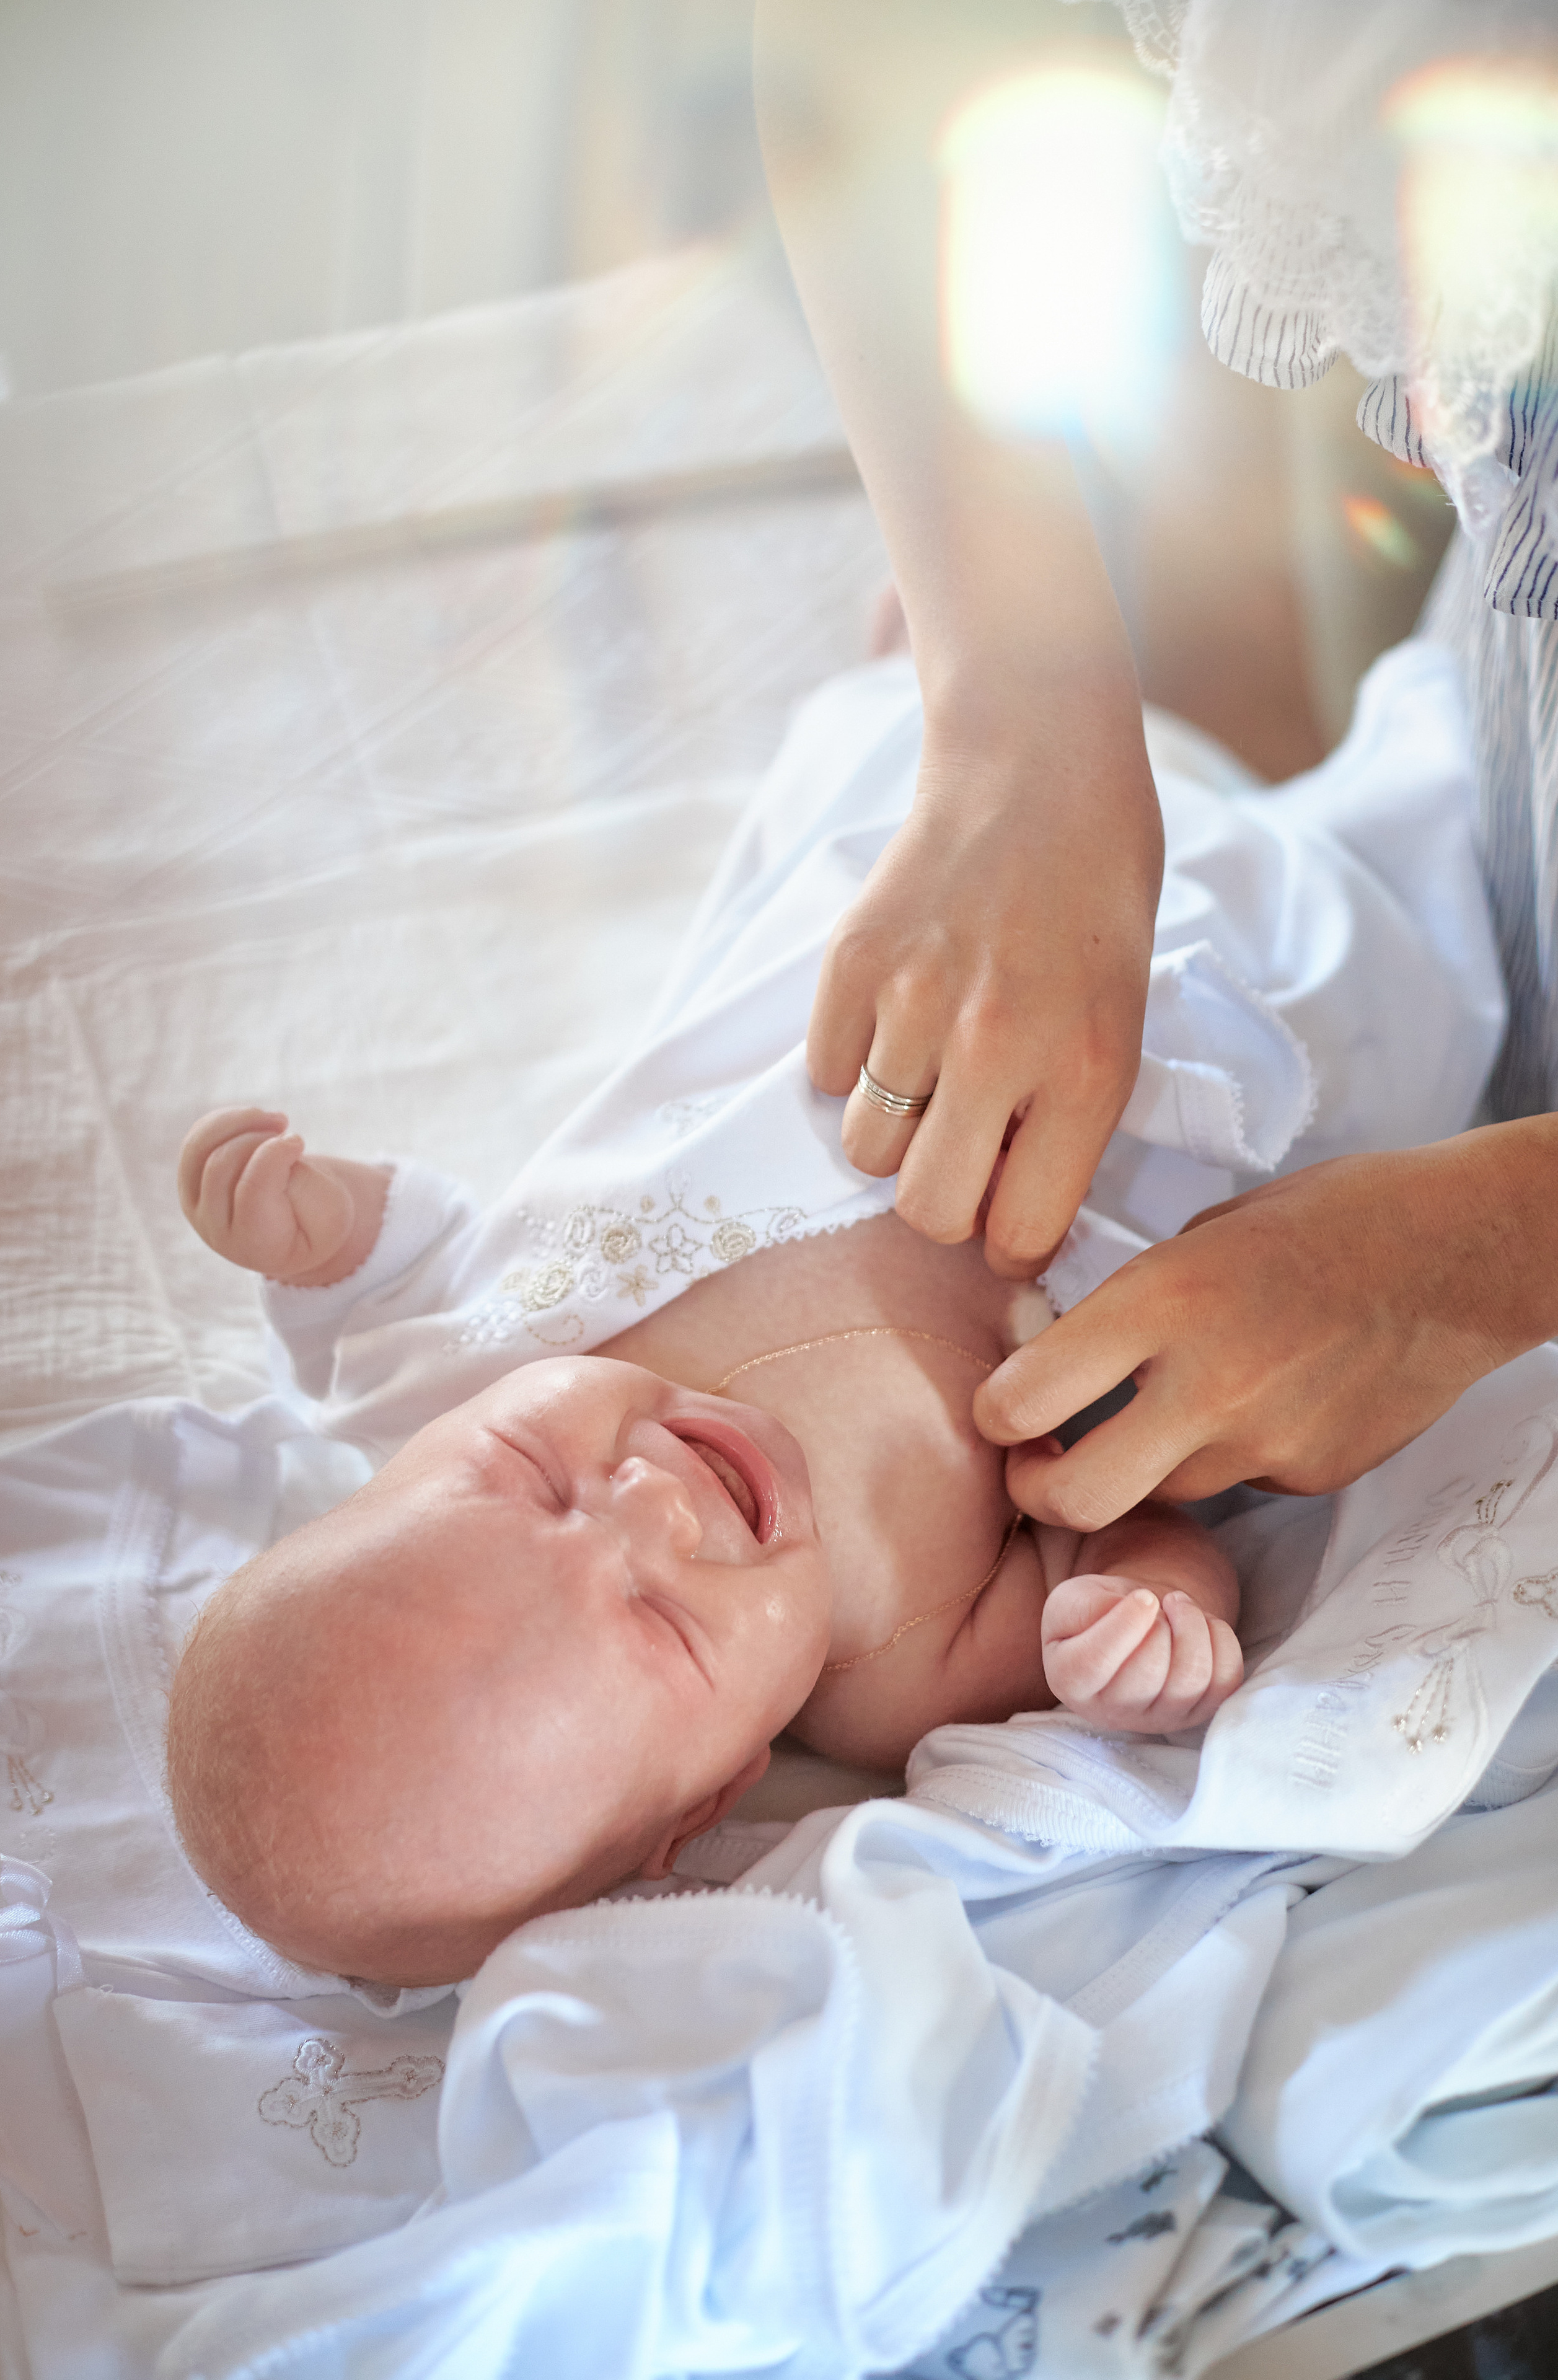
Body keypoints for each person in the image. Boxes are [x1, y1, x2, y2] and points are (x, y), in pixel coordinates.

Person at [751, 0, 1558, 1536]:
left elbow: (1105, 1595)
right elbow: (866, 40)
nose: (633, 1510)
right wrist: (1014, 703)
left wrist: (1483, 1252)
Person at [165, 1104, 1240, 1986]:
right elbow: (1134, 1530)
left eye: (536, 1481)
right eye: (659, 1620)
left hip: (913, 1040)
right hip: (1170, 1189)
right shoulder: (908, 1670)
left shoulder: (461, 1372)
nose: (655, 1503)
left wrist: (324, 1236)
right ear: (716, 1791)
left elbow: (438, 1274)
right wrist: (1146, 1622)